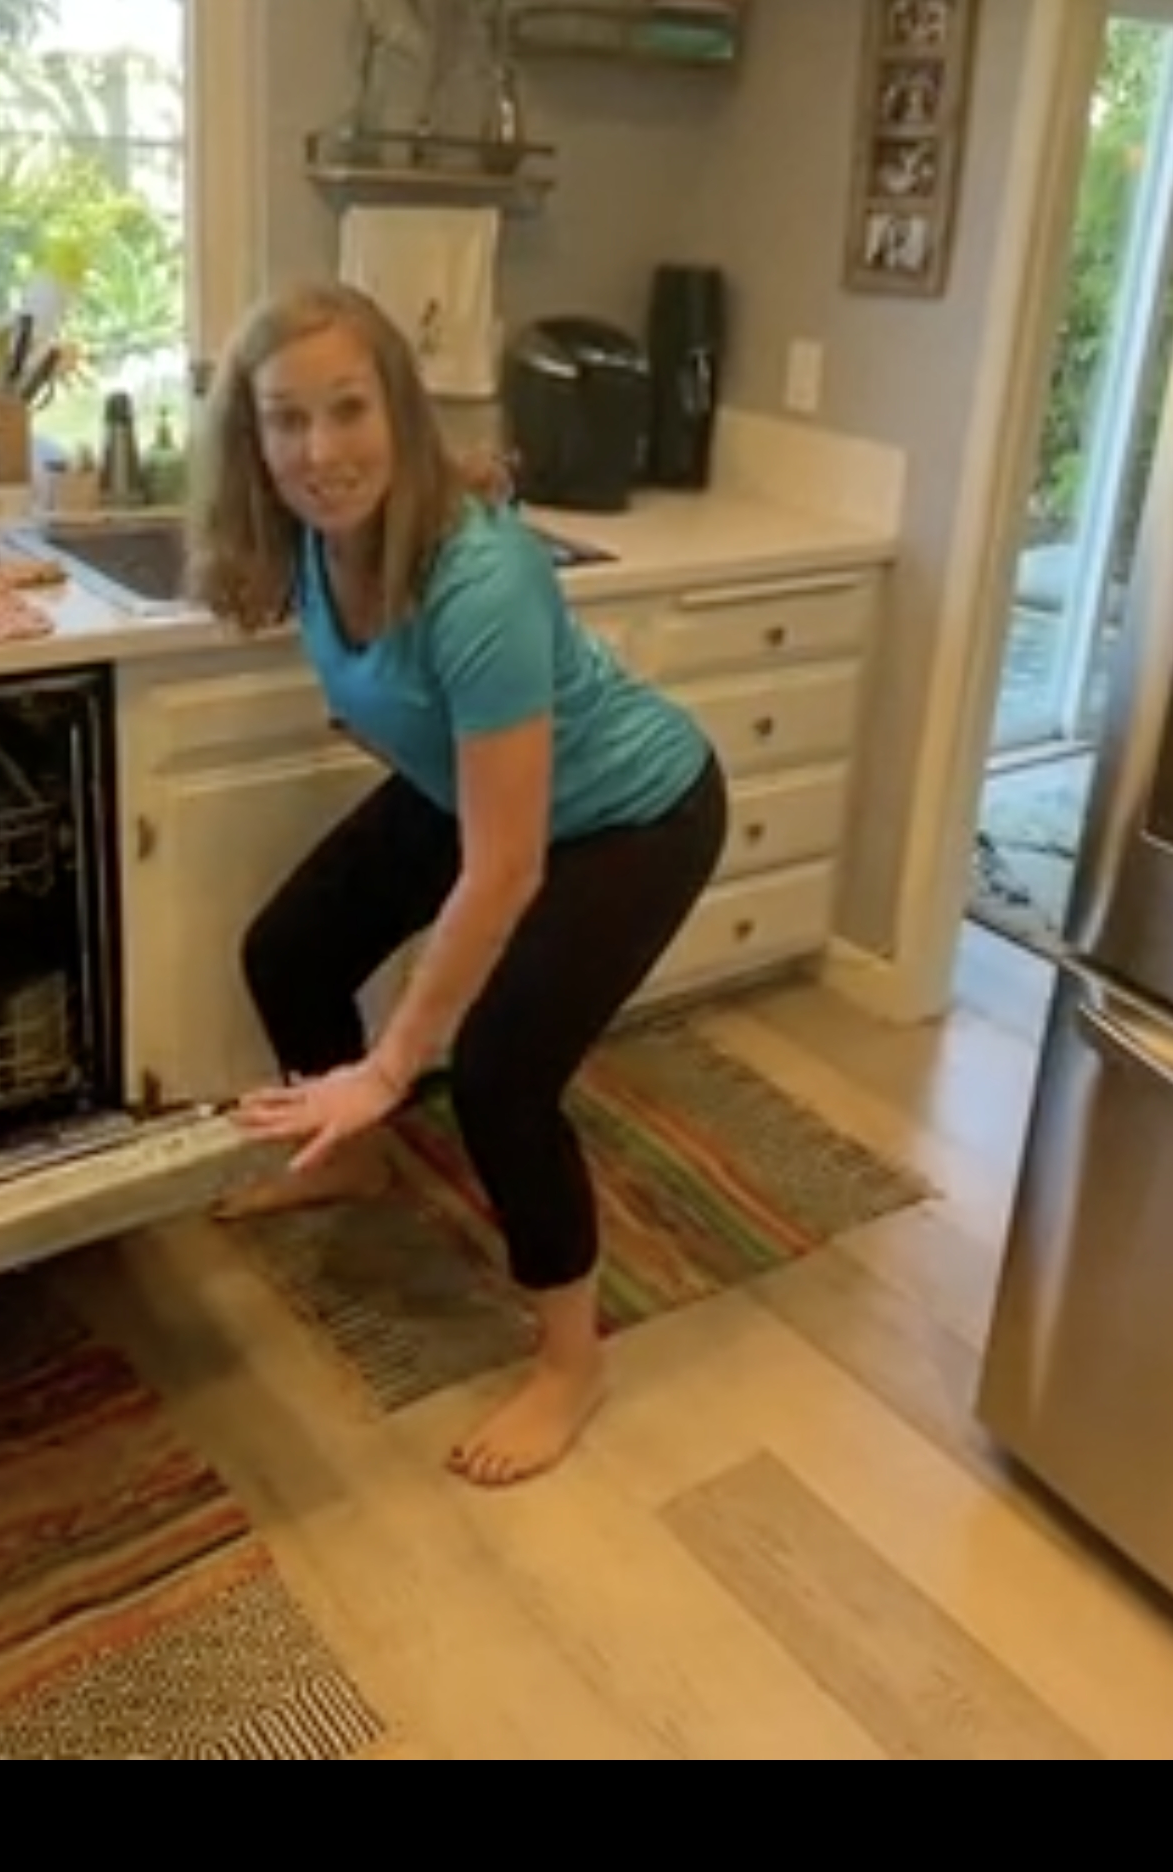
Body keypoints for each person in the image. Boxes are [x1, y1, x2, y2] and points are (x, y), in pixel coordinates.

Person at [187, 281, 728, 1488]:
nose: (319, 451)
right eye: (286, 419)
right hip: (479, 793)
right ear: (252, 437)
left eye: (347, 409)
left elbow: (508, 864)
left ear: (399, 412)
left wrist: (392, 1064)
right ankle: (347, 1159)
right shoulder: (312, 540)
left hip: (637, 812)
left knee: (495, 1074)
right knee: (290, 948)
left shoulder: (476, 578)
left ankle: (569, 1362)